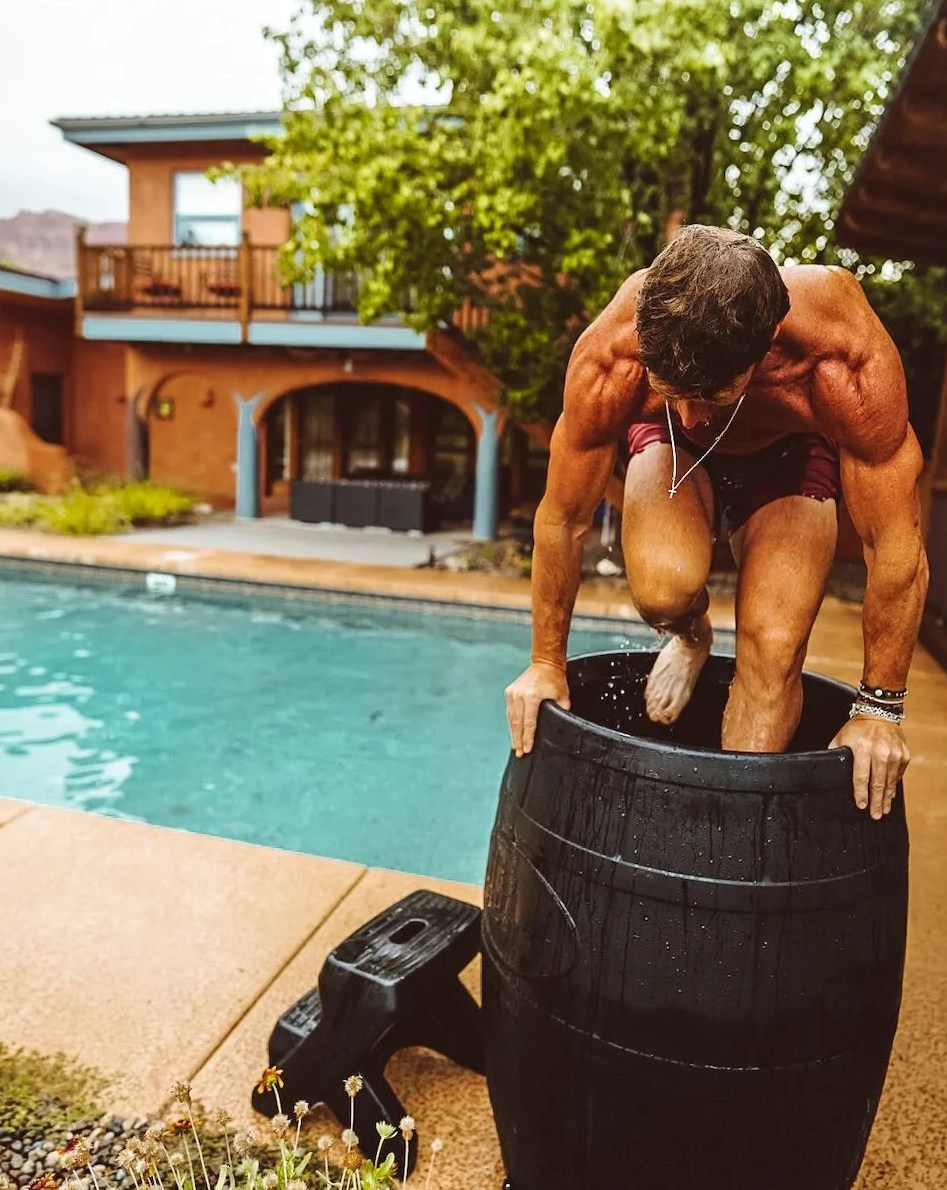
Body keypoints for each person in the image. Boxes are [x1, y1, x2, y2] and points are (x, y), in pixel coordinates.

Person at [505, 225, 928, 820]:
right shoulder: (614, 353)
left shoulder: (842, 357)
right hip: (672, 452)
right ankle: (692, 635)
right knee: (662, 592)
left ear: (770, 340)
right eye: (669, 388)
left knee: (775, 647)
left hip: (788, 455)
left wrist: (878, 710)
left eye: (709, 394)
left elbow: (895, 544)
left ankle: (725, 834)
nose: (689, 411)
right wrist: (546, 662)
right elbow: (565, 516)